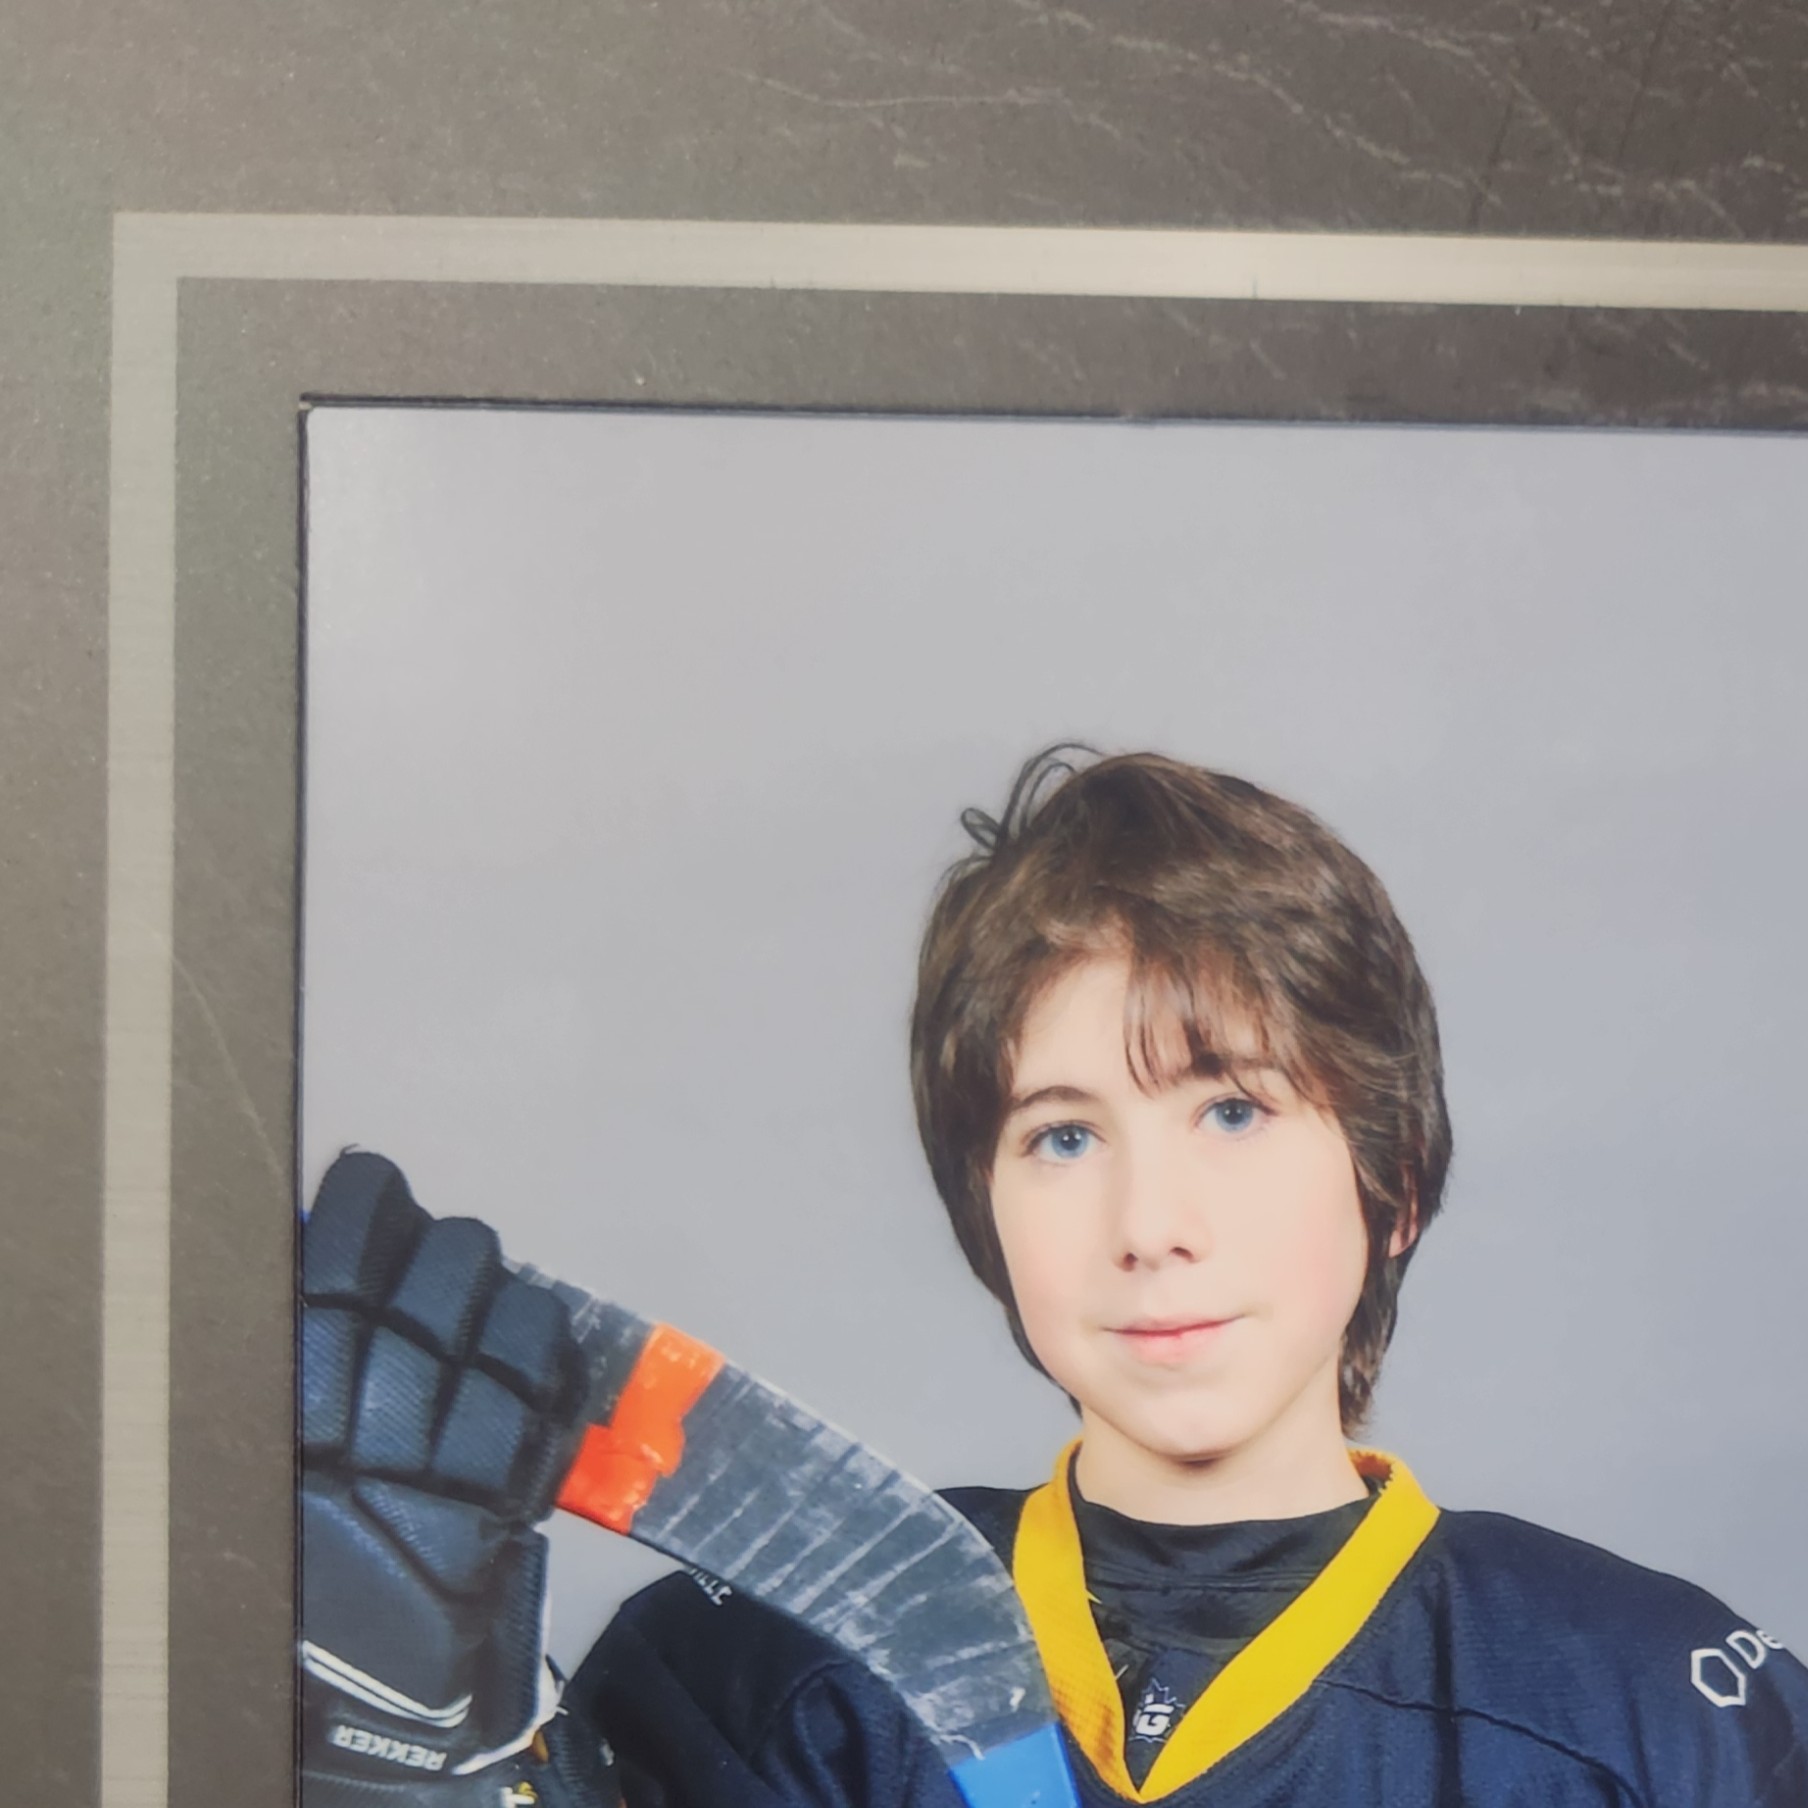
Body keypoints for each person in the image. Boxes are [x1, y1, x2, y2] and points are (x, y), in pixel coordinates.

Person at [300, 746, 1808, 1807]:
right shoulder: (766, 1673)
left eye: (1232, 1110)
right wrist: (424, 1763)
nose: (1149, 1224)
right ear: (989, 1215)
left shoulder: (1646, 1708)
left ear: (1393, 1180)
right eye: (1064, 1136)